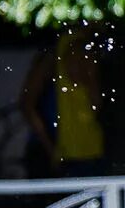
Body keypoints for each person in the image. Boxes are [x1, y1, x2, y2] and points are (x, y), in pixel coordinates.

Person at [18, 29, 108, 177]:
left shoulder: (60, 52)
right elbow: (96, 102)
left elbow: (26, 103)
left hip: (81, 152)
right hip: (69, 153)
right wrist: (49, 146)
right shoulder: (61, 54)